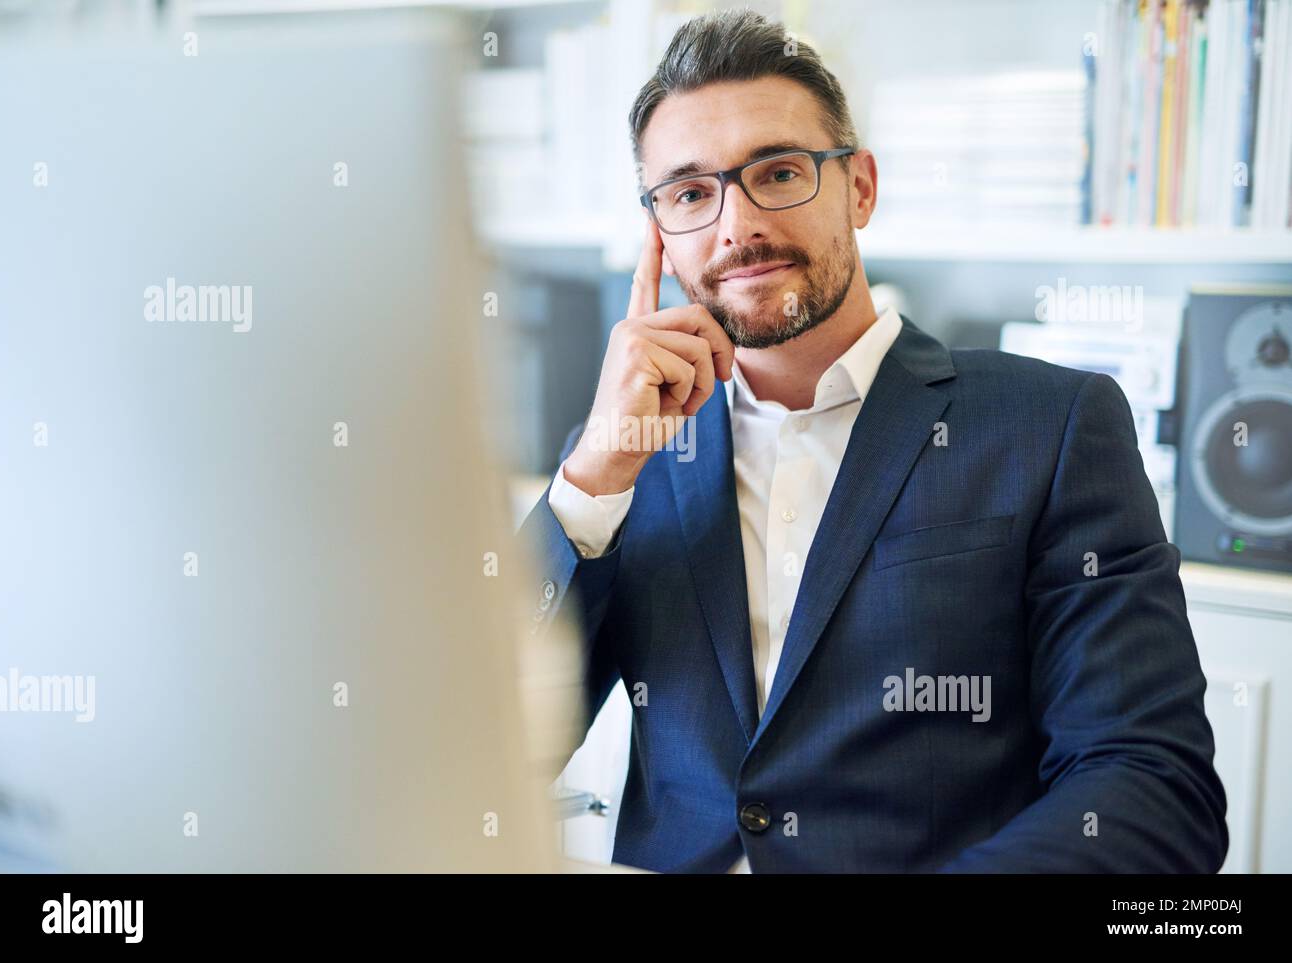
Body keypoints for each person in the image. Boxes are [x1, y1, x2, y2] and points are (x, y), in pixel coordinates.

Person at [518, 9, 1227, 873]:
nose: (736, 226)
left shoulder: (1050, 425)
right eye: (691, 193)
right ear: (658, 228)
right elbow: (477, 755)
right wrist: (593, 477)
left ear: (860, 188)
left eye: (777, 172)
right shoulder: (624, 458)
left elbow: (1151, 782)